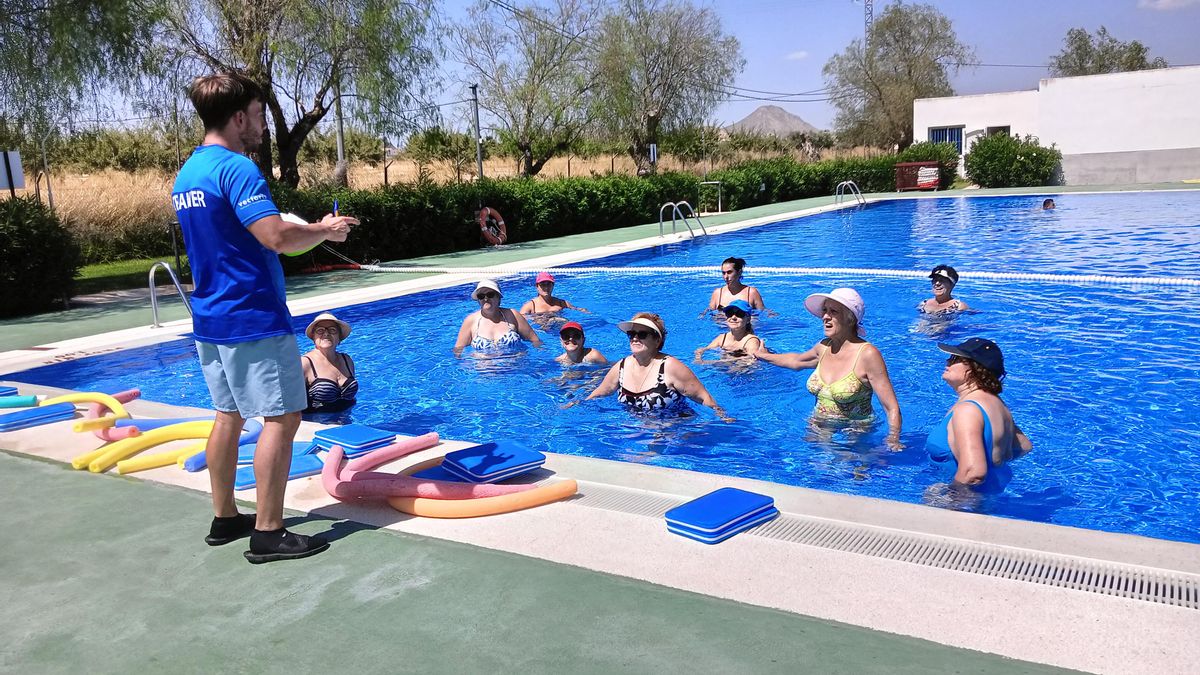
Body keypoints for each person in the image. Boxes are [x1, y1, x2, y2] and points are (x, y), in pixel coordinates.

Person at [172, 71, 357, 563]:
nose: (261, 126)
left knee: (229, 415)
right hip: (251, 314)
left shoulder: (188, 173)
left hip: (210, 318)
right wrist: (325, 229)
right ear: (237, 117)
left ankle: (226, 517)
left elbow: (237, 235)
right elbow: (276, 237)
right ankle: (269, 531)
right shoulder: (237, 169)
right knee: (282, 418)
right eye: (256, 116)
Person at [754, 288, 902, 447]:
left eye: (833, 311)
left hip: (856, 432)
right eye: (825, 311)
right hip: (818, 425)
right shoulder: (823, 347)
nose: (825, 317)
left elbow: (891, 407)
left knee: (846, 468)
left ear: (850, 318)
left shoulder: (867, 355)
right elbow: (796, 361)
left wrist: (893, 439)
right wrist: (763, 355)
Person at [927, 338, 1032, 492]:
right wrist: (994, 460)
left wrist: (949, 499)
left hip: (965, 502)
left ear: (975, 368)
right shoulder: (997, 404)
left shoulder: (968, 410)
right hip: (988, 495)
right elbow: (1023, 446)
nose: (948, 362)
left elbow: (973, 473)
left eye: (956, 358)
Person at [585, 312, 731, 421]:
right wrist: (576, 404)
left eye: (642, 334)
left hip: (676, 426)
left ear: (657, 340)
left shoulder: (671, 367)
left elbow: (704, 398)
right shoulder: (622, 366)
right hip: (638, 428)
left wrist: (724, 420)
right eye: (631, 334)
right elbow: (601, 392)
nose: (635, 338)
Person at [454, 279, 543, 355]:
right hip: (486, 373)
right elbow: (458, 351)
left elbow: (535, 341)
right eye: (481, 296)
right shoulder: (471, 321)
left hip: (516, 370)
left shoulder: (512, 315)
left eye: (490, 295)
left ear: (498, 297)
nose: (485, 299)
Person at [301, 312, 357, 414]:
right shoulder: (305, 363)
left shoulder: (347, 360)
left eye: (332, 330)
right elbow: (292, 405)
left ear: (339, 337)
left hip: (348, 421)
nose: (326, 334)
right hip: (317, 425)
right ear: (313, 337)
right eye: (320, 330)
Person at [695, 299, 763, 362]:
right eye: (729, 313)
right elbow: (704, 350)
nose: (733, 317)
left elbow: (752, 361)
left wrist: (716, 362)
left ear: (748, 319)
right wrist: (699, 355)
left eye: (739, 314)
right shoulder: (722, 338)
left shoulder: (751, 341)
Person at [520, 272, 587, 315]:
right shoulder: (529, 306)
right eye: (543, 284)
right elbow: (521, 322)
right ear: (537, 286)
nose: (546, 287)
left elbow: (578, 309)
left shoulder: (562, 303)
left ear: (553, 286)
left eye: (549, 284)